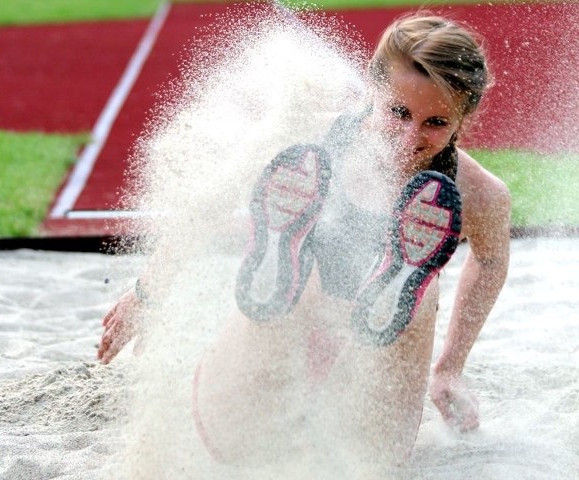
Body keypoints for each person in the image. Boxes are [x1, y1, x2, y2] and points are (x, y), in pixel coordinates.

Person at [97, 12, 511, 466]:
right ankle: (287, 266)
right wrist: (146, 294)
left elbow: (490, 261)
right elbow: (210, 205)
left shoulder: (480, 195)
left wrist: (450, 368)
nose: (410, 136)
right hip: (292, 314)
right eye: (398, 112)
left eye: (435, 122)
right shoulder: (304, 143)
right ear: (372, 90)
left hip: (381, 343)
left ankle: (385, 286)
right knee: (232, 440)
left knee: (416, 305)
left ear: (463, 118)